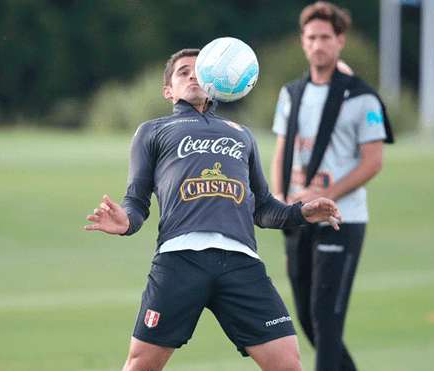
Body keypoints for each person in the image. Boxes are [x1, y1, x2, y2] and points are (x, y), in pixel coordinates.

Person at [85, 48, 344, 371]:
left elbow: (262, 207)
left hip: (241, 262)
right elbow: (136, 203)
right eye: (182, 72)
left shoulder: (241, 134)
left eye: (200, 70)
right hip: (180, 259)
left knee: (288, 364)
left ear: (215, 80)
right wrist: (125, 221)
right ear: (169, 91)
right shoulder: (152, 131)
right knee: (141, 364)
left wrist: (301, 213)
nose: (192, 75)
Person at [270, 2, 394, 371]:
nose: (318, 44)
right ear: (303, 42)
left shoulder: (362, 97)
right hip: (297, 217)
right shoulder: (290, 93)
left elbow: (373, 161)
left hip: (342, 219)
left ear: (340, 41)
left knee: (326, 318)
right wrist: (279, 200)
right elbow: (281, 152)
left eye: (326, 37)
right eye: (311, 37)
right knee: (309, 321)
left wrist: (326, 197)